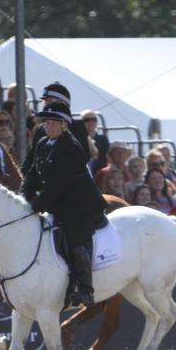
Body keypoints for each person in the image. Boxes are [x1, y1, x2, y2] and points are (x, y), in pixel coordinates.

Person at [20, 102, 107, 306]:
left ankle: (85, 289)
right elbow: (33, 173)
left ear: (64, 124)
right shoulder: (43, 143)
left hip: (82, 207)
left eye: (53, 123)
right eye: (46, 122)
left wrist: (35, 206)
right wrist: (23, 196)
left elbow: (57, 184)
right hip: (59, 205)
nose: (49, 126)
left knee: (75, 240)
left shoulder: (72, 147)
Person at [82, 109, 110, 175]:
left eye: (93, 119)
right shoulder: (78, 138)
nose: (91, 122)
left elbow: (107, 156)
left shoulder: (103, 139)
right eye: (87, 120)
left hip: (100, 169)